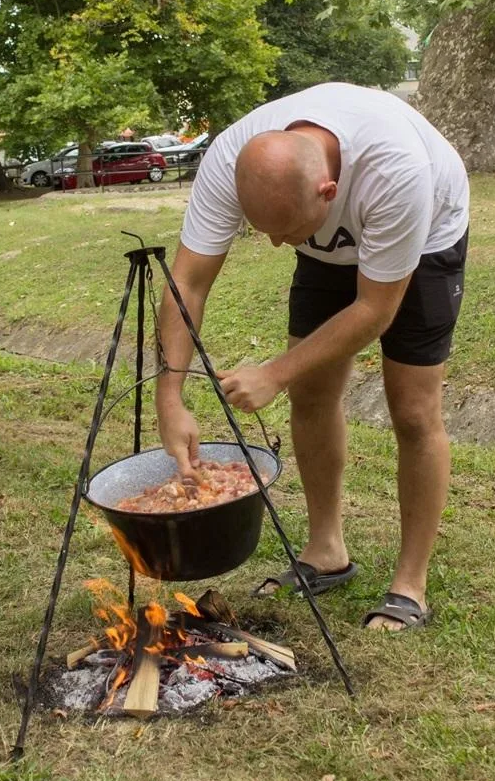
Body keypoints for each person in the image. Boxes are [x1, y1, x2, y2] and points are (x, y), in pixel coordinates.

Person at [155, 82, 469, 631]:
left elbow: (375, 310)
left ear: (328, 191)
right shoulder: (232, 157)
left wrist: (273, 372)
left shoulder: (397, 171)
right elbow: (188, 281)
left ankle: (410, 584)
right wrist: (169, 394)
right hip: (331, 239)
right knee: (313, 392)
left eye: (287, 232)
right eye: (265, 232)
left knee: (414, 411)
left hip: (424, 240)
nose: (277, 246)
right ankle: (326, 551)